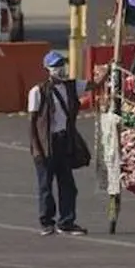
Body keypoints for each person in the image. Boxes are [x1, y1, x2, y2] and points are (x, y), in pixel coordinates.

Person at [28, 51, 104, 236]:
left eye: (62, 65)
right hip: (46, 144)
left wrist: (107, 71)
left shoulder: (72, 86)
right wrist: (38, 149)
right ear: (47, 69)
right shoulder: (38, 91)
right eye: (56, 66)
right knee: (46, 186)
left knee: (68, 185)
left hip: (64, 142)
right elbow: (33, 123)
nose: (60, 69)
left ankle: (67, 222)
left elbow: (95, 85)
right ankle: (47, 223)